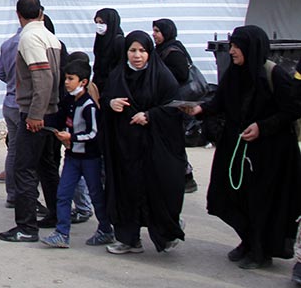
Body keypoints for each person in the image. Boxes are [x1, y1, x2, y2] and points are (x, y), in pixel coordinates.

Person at [183, 26, 301, 270]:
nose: (232, 51)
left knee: (261, 201)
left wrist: (262, 126)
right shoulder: (235, 73)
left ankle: (260, 250)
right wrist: (200, 110)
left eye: (236, 47)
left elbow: (292, 109)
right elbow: (221, 102)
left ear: (251, 48)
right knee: (231, 196)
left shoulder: (274, 74)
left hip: (269, 153)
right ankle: (247, 241)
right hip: (237, 147)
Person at [102, 30, 186, 255]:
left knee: (158, 191)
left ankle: (166, 234)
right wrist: (111, 103)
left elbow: (174, 108)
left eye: (142, 51)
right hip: (125, 147)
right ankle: (128, 239)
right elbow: (104, 99)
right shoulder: (117, 75)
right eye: (132, 50)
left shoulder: (162, 76)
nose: (137, 56)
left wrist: (150, 115)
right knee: (125, 191)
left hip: (154, 147)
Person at [0, 0, 61, 243]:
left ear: (19, 15)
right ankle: (56, 214)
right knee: (47, 167)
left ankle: (26, 227)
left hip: (36, 113)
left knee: (24, 168)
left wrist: (35, 114)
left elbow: (42, 78)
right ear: (41, 13)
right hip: (51, 111)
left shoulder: (29, 37)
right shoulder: (50, 36)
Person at [40, 58, 114, 248]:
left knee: (96, 195)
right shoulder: (68, 101)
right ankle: (62, 233)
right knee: (63, 194)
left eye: (70, 79)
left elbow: (93, 133)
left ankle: (105, 229)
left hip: (89, 159)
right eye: (65, 78)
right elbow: (59, 119)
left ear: (83, 82)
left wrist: (71, 138)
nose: (66, 82)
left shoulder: (88, 106)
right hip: (72, 158)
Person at [152, 18, 198, 193]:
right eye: (154, 30)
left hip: (175, 104)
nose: (154, 34)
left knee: (173, 141)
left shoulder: (173, 51)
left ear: (167, 31)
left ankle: (186, 177)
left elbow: (182, 73)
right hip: (167, 102)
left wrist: (161, 74)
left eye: (157, 31)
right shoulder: (162, 50)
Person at [0, 25, 22, 207]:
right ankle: (26, 198)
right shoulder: (35, 42)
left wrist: (13, 83)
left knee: (13, 150)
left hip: (10, 102)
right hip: (25, 105)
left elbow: (1, 74)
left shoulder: (7, 45)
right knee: (27, 154)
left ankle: (12, 195)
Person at [92, 8, 124, 93]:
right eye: (97, 22)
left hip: (113, 87)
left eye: (102, 22)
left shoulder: (119, 41)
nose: (98, 25)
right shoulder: (100, 39)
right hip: (99, 84)